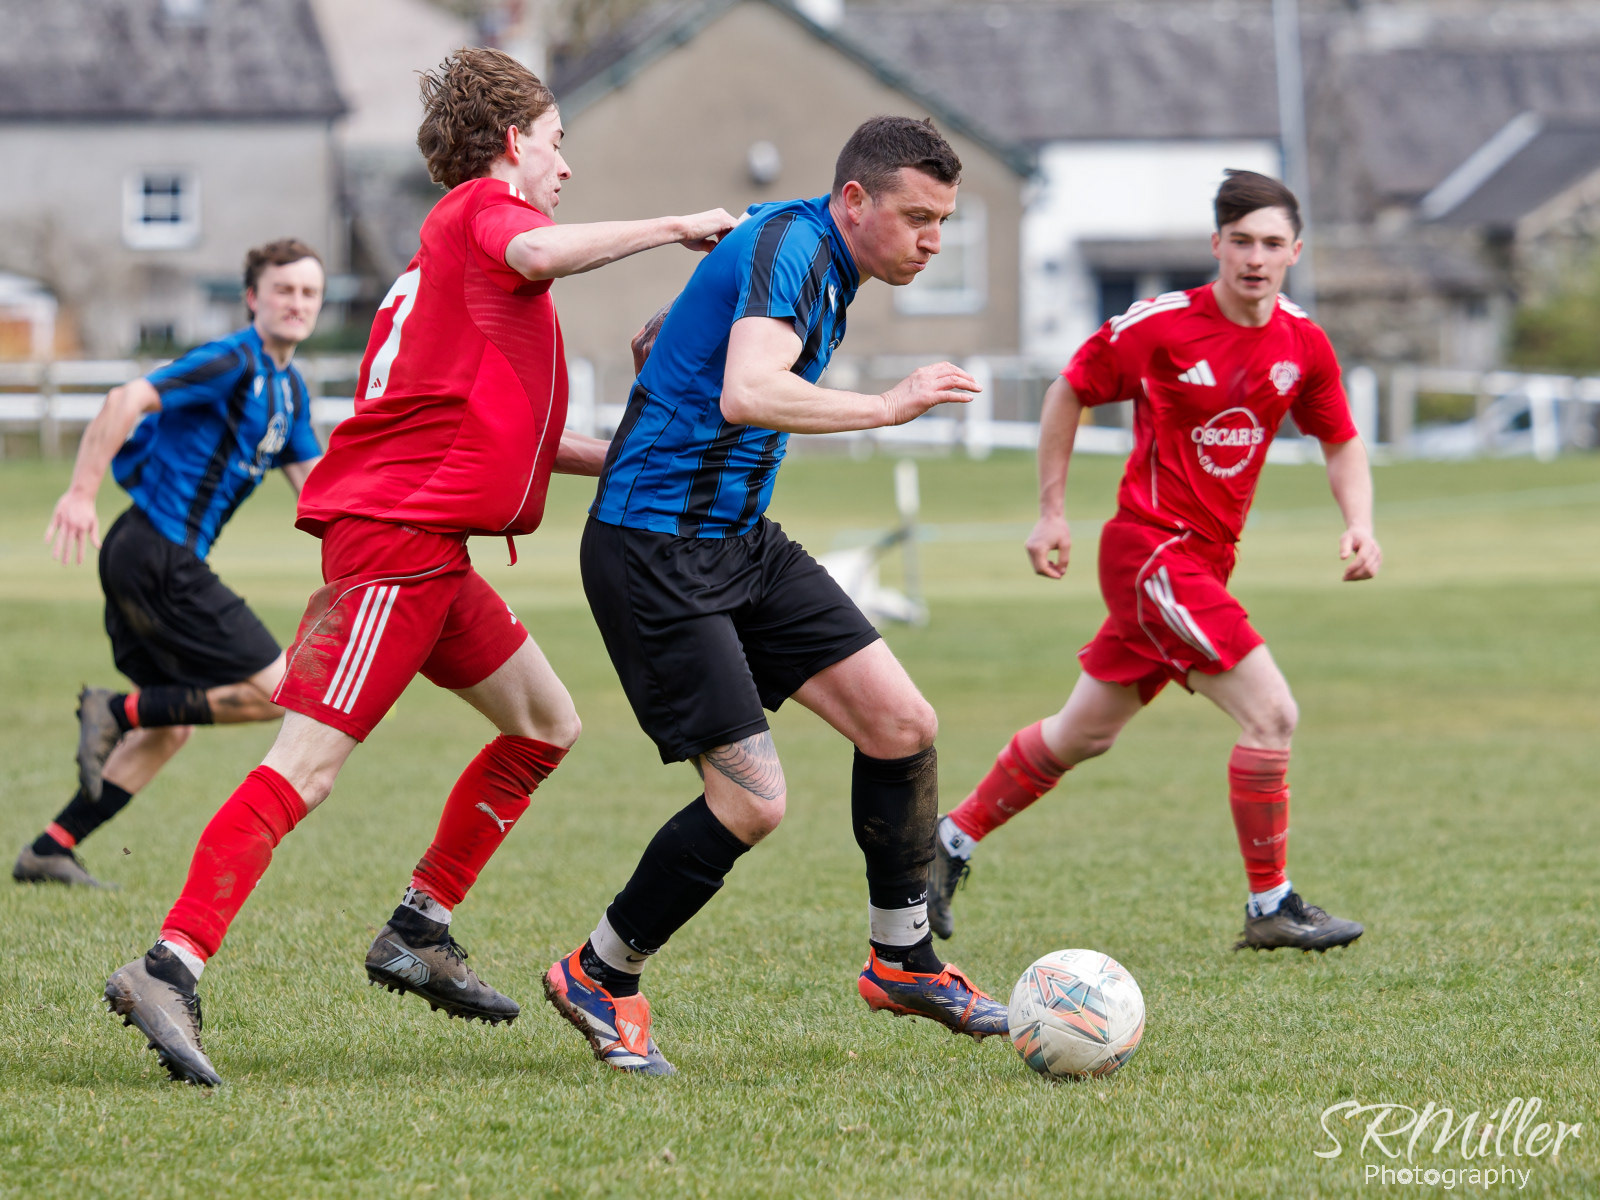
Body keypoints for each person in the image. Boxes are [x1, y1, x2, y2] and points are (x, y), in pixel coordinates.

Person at [103, 47, 736, 1087]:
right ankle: (170, 965)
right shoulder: (487, 215)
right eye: (557, 143)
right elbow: (540, 250)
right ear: (511, 143)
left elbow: (524, 435)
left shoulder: (464, 264)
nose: (566, 165)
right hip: (396, 545)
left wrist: (653, 448)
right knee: (305, 766)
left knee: (546, 723)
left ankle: (418, 928)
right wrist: (675, 226)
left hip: (432, 552)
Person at [542, 116, 1009, 1078]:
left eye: (944, 222)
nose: (933, 240)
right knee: (751, 803)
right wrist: (887, 407)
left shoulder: (810, 251)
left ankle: (903, 960)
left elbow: (677, 339)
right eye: (918, 218)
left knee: (901, 725)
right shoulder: (795, 244)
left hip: (739, 540)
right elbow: (749, 391)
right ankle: (598, 973)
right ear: (853, 201)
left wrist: (676, 337)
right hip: (654, 547)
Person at [927, 170, 1380, 953]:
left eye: (1272, 244)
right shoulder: (1163, 326)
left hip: (1204, 563)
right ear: (1217, 246)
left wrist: (1360, 524)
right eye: (1241, 241)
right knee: (1272, 715)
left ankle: (946, 841)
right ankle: (1270, 904)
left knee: (1082, 734)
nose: (1256, 258)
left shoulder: (1302, 342)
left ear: (1295, 253)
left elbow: (1340, 440)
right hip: (1150, 553)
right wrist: (1051, 511)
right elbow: (1069, 390)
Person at [15, 239, 327, 890]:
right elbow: (124, 400)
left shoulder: (291, 392)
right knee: (278, 689)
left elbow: (320, 494)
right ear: (253, 298)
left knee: (171, 728)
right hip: (154, 551)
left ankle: (50, 848)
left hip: (149, 557)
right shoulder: (232, 360)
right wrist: (80, 493)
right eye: (283, 290)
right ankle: (117, 710)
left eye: (309, 292)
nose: (297, 302)